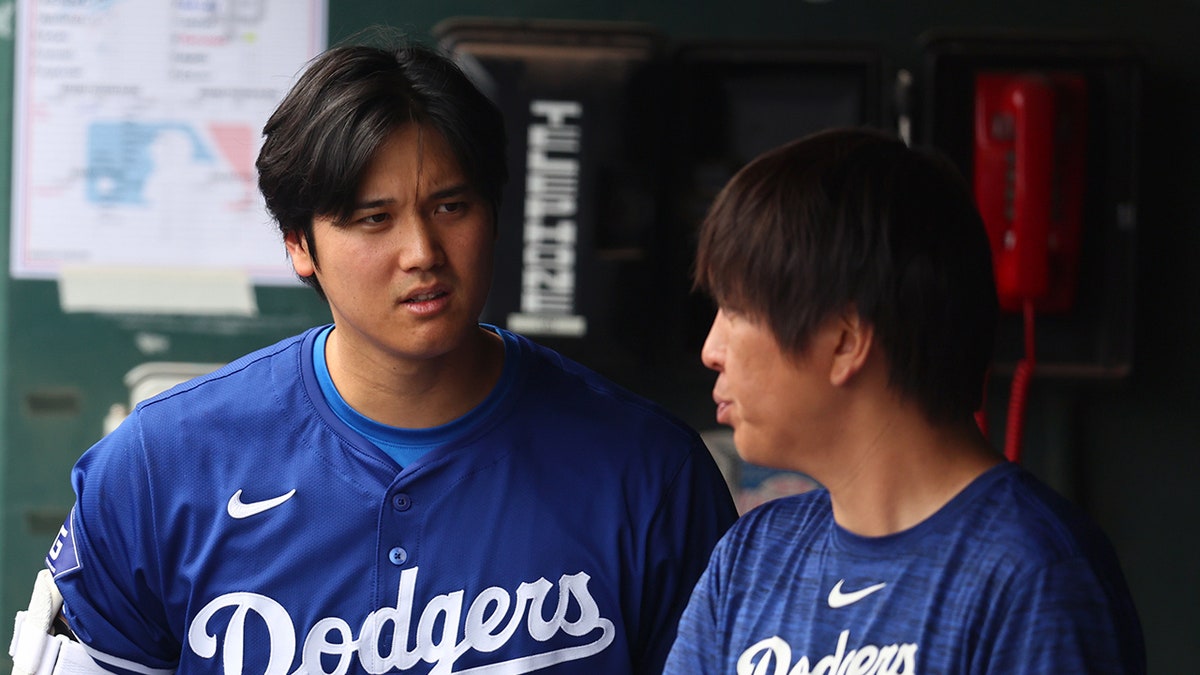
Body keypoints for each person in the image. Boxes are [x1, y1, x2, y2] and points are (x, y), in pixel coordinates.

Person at [10, 41, 737, 675]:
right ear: (299, 243)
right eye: (373, 219)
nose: (421, 252)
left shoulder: (650, 474)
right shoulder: (159, 465)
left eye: (451, 206)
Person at [664, 127, 1146, 674]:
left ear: (846, 340)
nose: (711, 349)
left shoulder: (1034, 574)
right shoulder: (752, 557)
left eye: (737, 311)